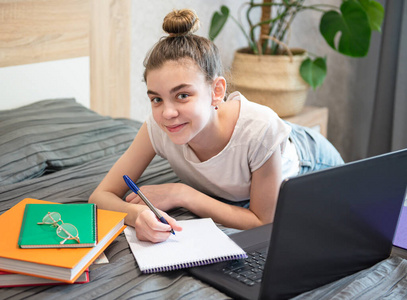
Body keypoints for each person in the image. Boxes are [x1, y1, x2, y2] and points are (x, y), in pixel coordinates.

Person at [89, 9, 344, 243]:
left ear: (216, 91)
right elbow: (100, 197)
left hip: (308, 163)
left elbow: (264, 221)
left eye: (182, 95)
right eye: (156, 99)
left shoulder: (259, 131)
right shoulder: (158, 128)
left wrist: (182, 194)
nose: (167, 113)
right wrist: (135, 215)